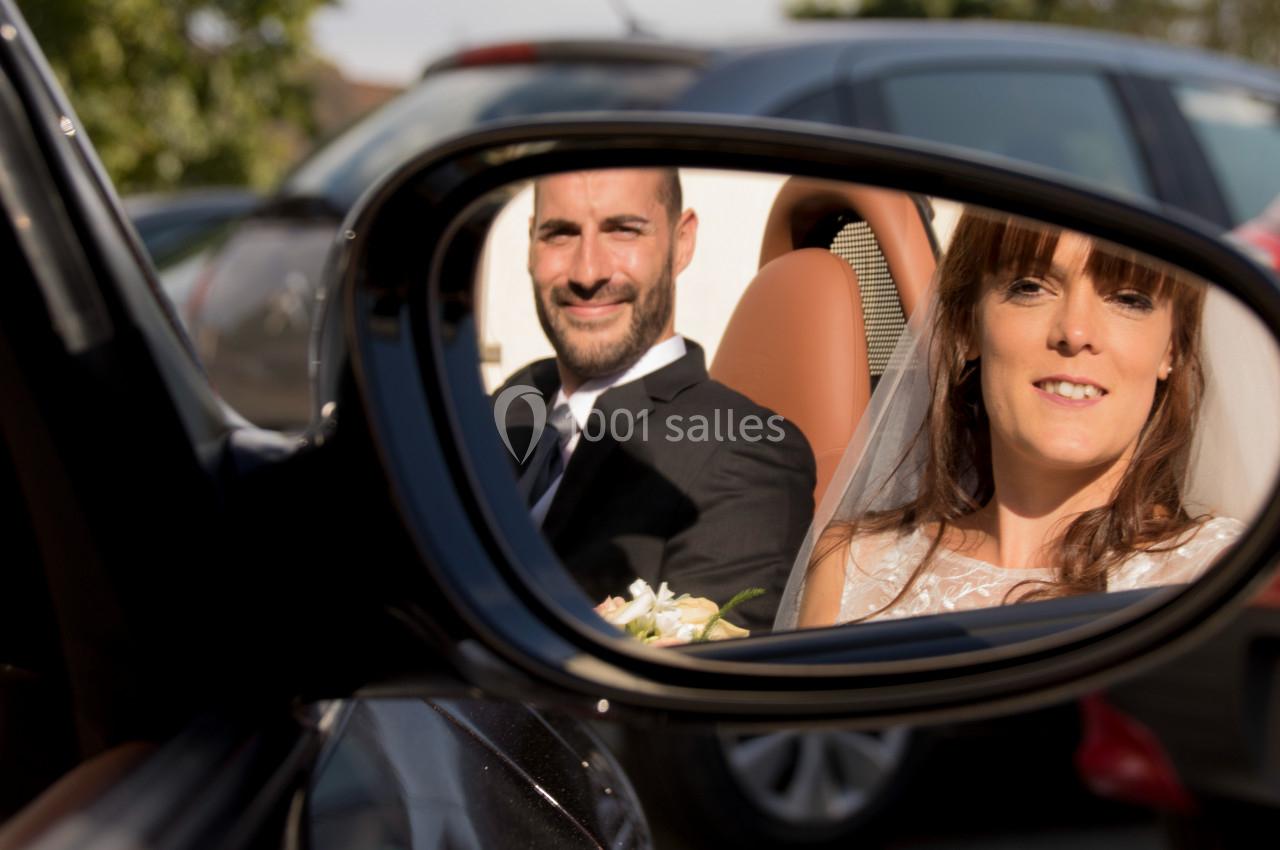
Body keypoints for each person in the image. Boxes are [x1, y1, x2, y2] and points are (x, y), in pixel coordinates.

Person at [779, 211, 1249, 629]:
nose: (1075, 332)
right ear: (967, 327)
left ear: (1172, 350)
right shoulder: (854, 564)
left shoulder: (1224, 575)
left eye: (1128, 298)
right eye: (1030, 288)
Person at [495, 168, 815, 632]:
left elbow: (704, 686)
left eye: (623, 230)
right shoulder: (520, 394)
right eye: (560, 234)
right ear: (530, 243)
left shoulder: (747, 454)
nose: (588, 271)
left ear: (681, 242)